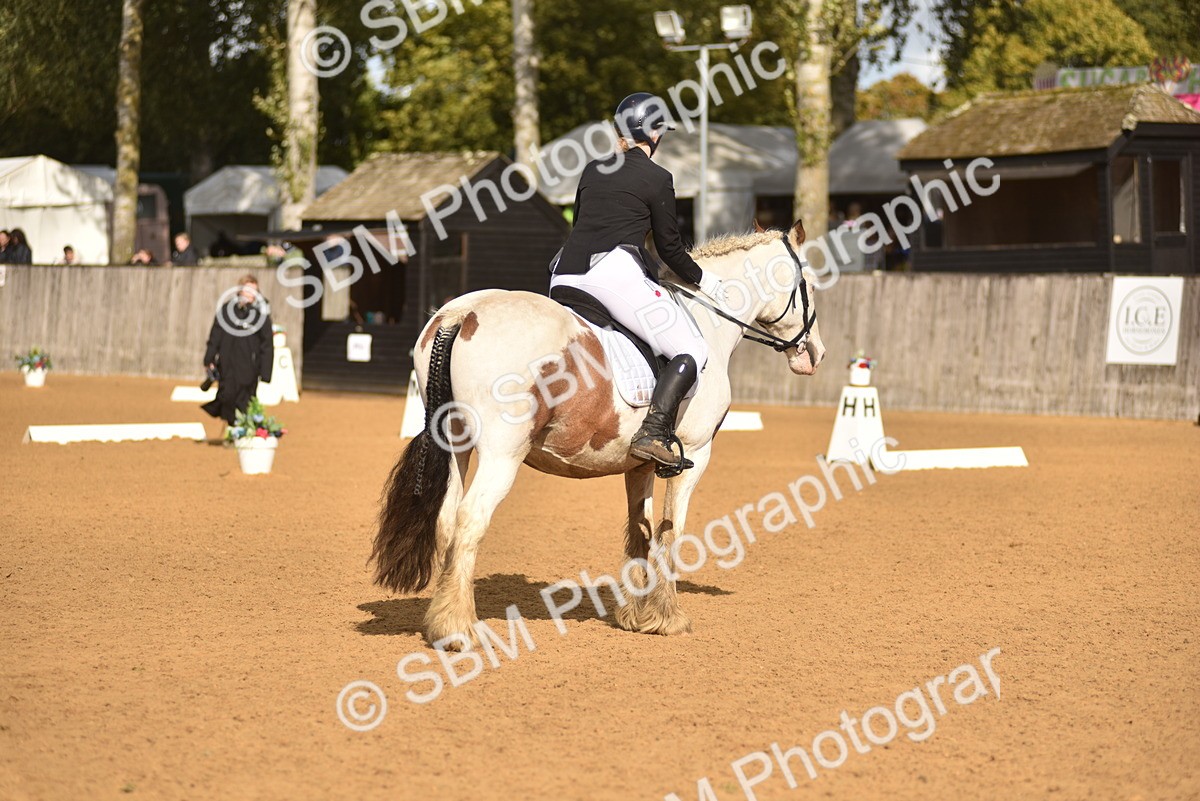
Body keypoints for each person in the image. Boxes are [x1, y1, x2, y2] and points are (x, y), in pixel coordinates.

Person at [549, 92, 728, 469]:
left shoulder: (592, 169)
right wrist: (705, 281)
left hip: (562, 274)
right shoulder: (658, 178)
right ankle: (654, 432)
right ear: (656, 134)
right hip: (610, 275)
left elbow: (583, 223)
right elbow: (670, 249)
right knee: (692, 349)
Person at [201, 274, 274, 425]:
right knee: (226, 395)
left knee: (245, 400)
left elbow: (266, 344)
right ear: (240, 291)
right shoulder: (226, 310)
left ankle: (240, 431)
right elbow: (216, 335)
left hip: (249, 367)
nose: (250, 294)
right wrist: (209, 358)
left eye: (254, 291)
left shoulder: (261, 314)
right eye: (247, 290)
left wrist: (265, 373)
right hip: (227, 363)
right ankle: (231, 425)